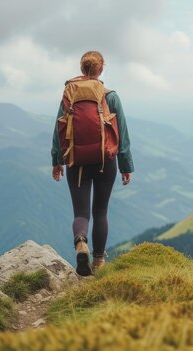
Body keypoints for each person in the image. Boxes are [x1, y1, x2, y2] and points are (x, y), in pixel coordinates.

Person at [50, 51, 134, 276]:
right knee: (101, 212)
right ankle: (98, 262)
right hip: (105, 161)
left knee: (81, 213)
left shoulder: (69, 95)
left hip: (76, 161)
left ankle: (80, 242)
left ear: (81, 68)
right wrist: (126, 166)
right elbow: (122, 134)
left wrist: (57, 161)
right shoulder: (111, 97)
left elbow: (59, 130)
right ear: (101, 69)